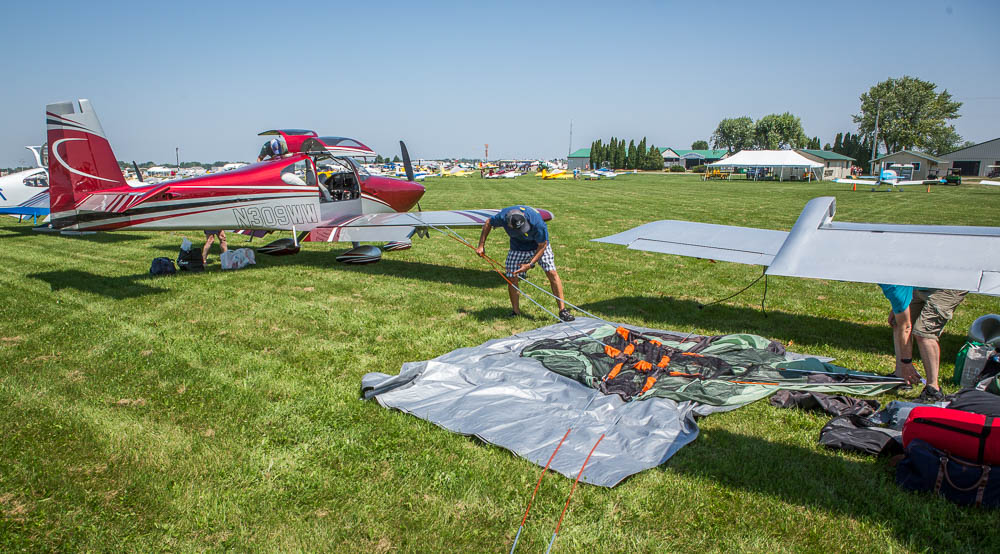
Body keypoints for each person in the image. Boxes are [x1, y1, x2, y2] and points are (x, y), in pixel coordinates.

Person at [475, 206, 574, 321]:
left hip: (539, 246)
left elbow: (542, 246)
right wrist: (481, 245)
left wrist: (530, 264)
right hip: (518, 248)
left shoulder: (538, 223)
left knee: (551, 272)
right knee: (511, 277)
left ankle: (563, 310)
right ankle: (516, 312)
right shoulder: (502, 217)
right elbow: (488, 223)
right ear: (508, 224)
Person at [881, 285, 967, 402]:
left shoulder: (894, 285)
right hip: (923, 282)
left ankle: (933, 389)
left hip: (949, 284)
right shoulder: (892, 281)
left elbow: (905, 326)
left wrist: (906, 363)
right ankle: (901, 376)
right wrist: (899, 307)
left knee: (924, 332)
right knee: (897, 321)